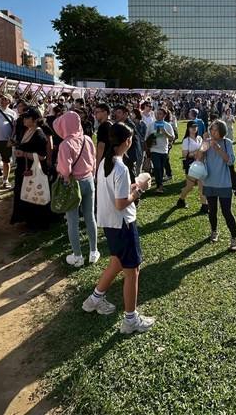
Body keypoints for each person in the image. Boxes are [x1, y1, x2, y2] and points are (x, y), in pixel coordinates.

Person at [82, 122, 155, 334]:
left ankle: (94, 299)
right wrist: (140, 189)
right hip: (123, 223)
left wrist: (133, 187)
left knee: (116, 263)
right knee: (132, 271)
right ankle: (131, 320)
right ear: (127, 142)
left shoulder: (105, 162)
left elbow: (116, 193)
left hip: (109, 223)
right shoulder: (121, 168)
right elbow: (121, 203)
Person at [54, 111, 99, 267]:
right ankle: (94, 251)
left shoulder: (65, 144)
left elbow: (65, 170)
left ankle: (77, 256)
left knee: (72, 221)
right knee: (90, 216)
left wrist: (59, 170)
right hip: (89, 180)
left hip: (73, 184)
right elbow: (93, 160)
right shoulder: (87, 139)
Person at [201, 121, 236, 251]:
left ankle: (234, 238)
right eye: (212, 129)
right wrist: (203, 145)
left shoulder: (227, 143)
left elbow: (231, 161)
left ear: (222, 131)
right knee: (212, 210)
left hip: (224, 183)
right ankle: (214, 231)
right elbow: (199, 159)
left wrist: (217, 148)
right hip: (209, 181)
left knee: (226, 212)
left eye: (215, 130)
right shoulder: (207, 142)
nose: (213, 132)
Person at [10, 108, 50, 229]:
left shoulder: (39, 134)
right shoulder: (28, 130)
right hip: (24, 169)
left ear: (35, 120)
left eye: (27, 118)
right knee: (25, 193)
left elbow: (42, 156)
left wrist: (24, 154)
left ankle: (35, 224)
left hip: (32, 170)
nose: (24, 119)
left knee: (33, 195)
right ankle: (27, 220)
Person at [176, 122, 208, 213]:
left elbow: (204, 149)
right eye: (192, 127)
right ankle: (181, 200)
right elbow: (184, 155)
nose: (194, 128)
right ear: (188, 128)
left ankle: (204, 206)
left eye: (195, 127)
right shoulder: (186, 140)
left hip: (201, 164)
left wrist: (205, 143)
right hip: (191, 166)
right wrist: (197, 152)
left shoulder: (199, 138)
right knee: (189, 187)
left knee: (202, 186)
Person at [145, 107, 175, 193]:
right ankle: (159, 186)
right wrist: (150, 141)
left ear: (164, 115)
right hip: (154, 150)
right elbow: (146, 138)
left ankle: (160, 184)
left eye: (160, 114)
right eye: (157, 113)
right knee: (157, 167)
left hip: (164, 150)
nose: (158, 115)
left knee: (161, 168)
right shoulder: (151, 125)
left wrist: (164, 132)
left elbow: (172, 138)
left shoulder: (167, 125)